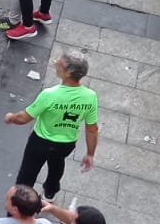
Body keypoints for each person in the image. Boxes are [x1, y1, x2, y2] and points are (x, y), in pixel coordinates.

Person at [6, 51, 99, 200]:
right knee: (57, 164)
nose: (55, 63)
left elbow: (24, 118)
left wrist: (11, 117)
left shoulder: (49, 95)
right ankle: (50, 191)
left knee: (28, 171)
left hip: (40, 141)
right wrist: (90, 153)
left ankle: (20, 201)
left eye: (59, 64)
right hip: (66, 143)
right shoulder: (90, 97)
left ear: (68, 73)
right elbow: (92, 129)